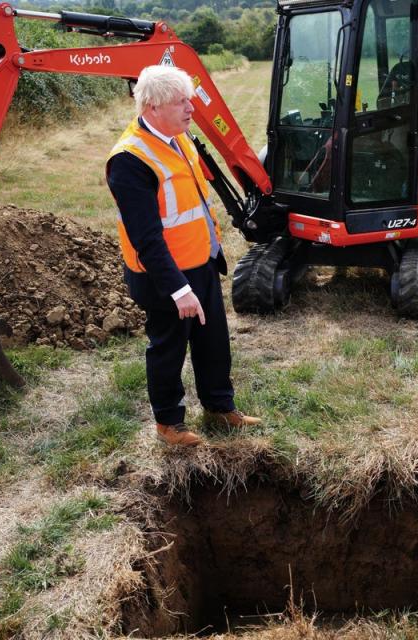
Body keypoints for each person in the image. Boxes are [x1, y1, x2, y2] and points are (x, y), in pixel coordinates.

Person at [106, 65, 260, 447]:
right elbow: (146, 238)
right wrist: (177, 289)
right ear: (153, 106)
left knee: (213, 341)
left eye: (189, 99)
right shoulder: (129, 160)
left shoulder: (179, 136)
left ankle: (220, 408)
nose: (191, 108)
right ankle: (169, 424)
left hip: (201, 263)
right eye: (181, 102)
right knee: (168, 347)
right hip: (165, 277)